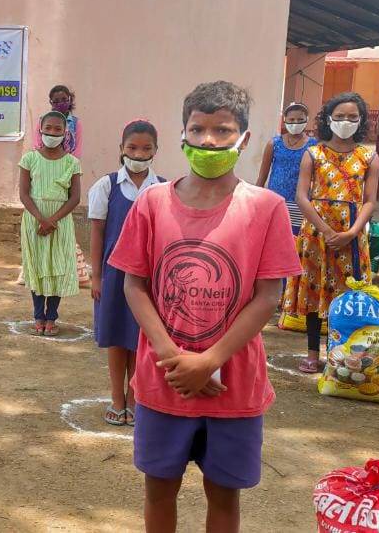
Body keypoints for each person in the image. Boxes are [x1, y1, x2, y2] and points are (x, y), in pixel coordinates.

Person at [109, 81, 301, 533]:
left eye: (223, 130)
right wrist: (171, 357)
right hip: (164, 379)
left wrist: (211, 360)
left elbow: (267, 297)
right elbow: (135, 286)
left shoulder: (267, 208)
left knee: (223, 495)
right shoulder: (152, 203)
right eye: (198, 129)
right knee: (158, 490)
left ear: (245, 140)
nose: (209, 140)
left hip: (233, 386)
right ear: (182, 134)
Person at [282, 92, 378, 374]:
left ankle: (343, 354)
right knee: (314, 292)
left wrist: (352, 232)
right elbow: (301, 196)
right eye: (339, 116)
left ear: (360, 121)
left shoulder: (369, 156)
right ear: (328, 119)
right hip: (316, 234)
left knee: (347, 293)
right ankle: (313, 353)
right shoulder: (314, 154)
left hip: (352, 235)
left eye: (352, 117)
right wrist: (325, 230)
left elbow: (370, 200)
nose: (345, 122)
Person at [88, 119, 164, 426]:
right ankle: (116, 398)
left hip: (146, 279)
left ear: (156, 151)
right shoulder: (106, 186)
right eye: (132, 148)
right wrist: (97, 277)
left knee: (139, 338)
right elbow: (97, 232)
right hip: (114, 274)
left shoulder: (162, 189)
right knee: (117, 338)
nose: (139, 153)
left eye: (146, 148)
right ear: (121, 149)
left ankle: (134, 397)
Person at [19, 111, 82, 336]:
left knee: (57, 267)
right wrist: (41, 219)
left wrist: (52, 220)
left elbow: (75, 198)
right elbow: (24, 194)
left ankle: (52, 317)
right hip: (34, 222)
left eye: (58, 129)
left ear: (65, 133)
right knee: (37, 266)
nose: (53, 133)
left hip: (60, 222)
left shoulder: (72, 163)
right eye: (49, 128)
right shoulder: (29, 159)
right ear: (41, 130)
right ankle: (38, 316)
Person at [23, 84, 90, 288]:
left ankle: (76, 274)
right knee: (37, 252)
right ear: (50, 102)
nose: (61, 103)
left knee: (61, 246)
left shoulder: (75, 124)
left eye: (64, 99)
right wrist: (46, 160)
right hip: (44, 170)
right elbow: (37, 144)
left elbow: (77, 150)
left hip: (66, 169)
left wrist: (65, 163)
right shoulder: (32, 154)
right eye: (56, 100)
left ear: (70, 100)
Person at [255, 102, 317, 235]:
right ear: (285, 120)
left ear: (306, 120)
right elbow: (263, 175)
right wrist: (256, 199)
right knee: (275, 236)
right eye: (292, 120)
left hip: (301, 203)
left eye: (300, 120)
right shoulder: (274, 143)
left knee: (296, 239)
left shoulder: (314, 145)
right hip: (275, 199)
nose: (295, 123)